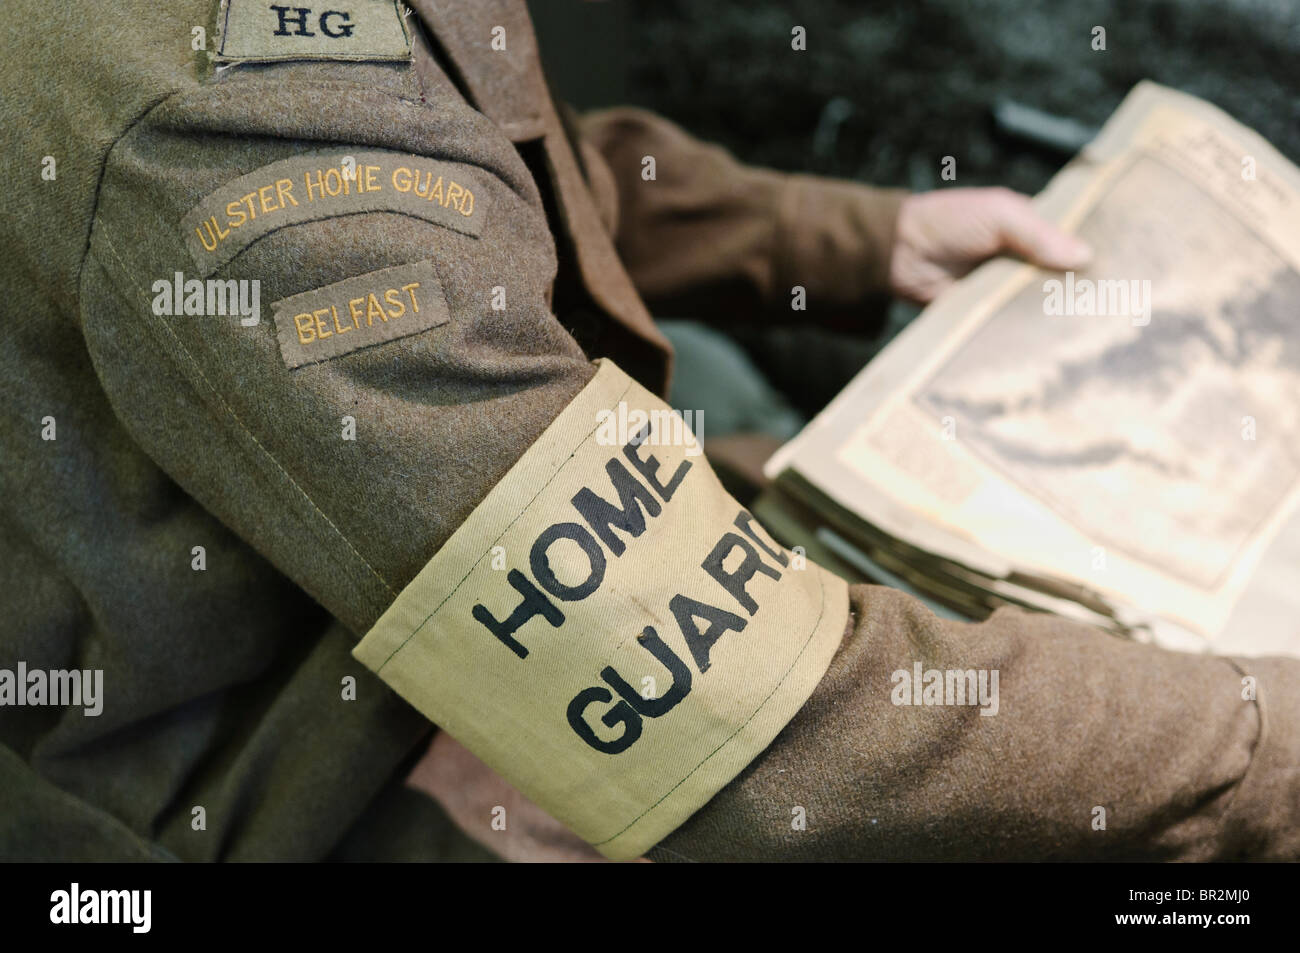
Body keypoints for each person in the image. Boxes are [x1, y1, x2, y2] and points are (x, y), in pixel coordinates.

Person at [1, 0, 1295, 863]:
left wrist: (841, 238)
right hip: (297, 788)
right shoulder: (223, 122)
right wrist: (1261, 735)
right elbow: (761, 731)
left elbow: (478, 145)